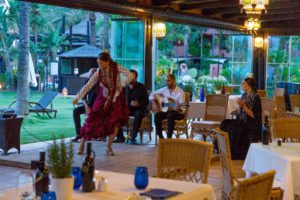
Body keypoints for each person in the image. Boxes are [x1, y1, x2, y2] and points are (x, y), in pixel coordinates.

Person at [73, 52, 133, 156]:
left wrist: (120, 85)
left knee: (115, 123)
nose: (99, 65)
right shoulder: (98, 72)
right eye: (98, 63)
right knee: (91, 120)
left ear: (107, 61)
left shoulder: (116, 66)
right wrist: (77, 97)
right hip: (103, 98)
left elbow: (130, 76)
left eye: (101, 63)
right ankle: (81, 145)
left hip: (115, 98)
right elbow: (88, 85)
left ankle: (109, 146)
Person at [221, 75, 262, 160]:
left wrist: (243, 106)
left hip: (252, 123)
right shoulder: (244, 95)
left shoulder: (256, 97)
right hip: (243, 120)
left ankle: (235, 153)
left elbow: (254, 115)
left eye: (244, 84)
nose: (242, 85)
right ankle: (223, 149)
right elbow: (241, 111)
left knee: (234, 128)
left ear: (249, 85)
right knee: (225, 123)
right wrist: (239, 108)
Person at [114, 70, 149, 144]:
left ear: (136, 78)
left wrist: (138, 103)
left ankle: (133, 137)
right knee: (116, 114)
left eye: (132, 76)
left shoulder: (141, 87)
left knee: (138, 114)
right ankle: (120, 136)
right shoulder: (124, 88)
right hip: (128, 109)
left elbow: (147, 101)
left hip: (140, 109)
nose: (130, 78)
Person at [151, 74, 186, 139]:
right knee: (157, 115)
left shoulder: (180, 92)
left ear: (174, 81)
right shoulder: (164, 89)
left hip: (178, 113)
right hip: (167, 111)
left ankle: (169, 138)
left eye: (168, 81)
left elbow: (183, 108)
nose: (167, 83)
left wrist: (179, 109)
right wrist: (154, 101)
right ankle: (161, 137)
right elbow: (152, 94)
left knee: (170, 116)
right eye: (166, 81)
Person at [72, 68, 98, 142]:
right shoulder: (87, 82)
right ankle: (79, 134)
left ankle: (97, 134)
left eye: (92, 76)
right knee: (75, 111)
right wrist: (87, 107)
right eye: (90, 76)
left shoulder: (100, 84)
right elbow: (83, 96)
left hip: (98, 107)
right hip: (90, 105)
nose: (91, 78)